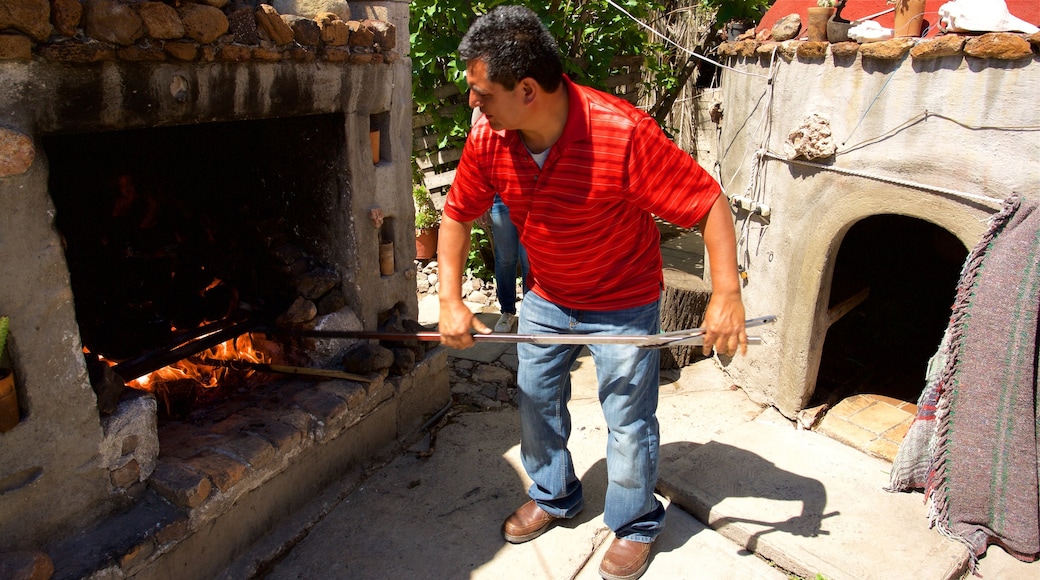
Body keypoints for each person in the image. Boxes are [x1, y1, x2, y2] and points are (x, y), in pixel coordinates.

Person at [437, 6, 748, 580]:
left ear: (526, 89)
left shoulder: (622, 133)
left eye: (481, 92)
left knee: (627, 418)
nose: (473, 103)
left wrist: (726, 293)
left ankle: (633, 523)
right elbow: (456, 215)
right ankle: (555, 495)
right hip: (548, 294)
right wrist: (450, 300)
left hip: (623, 299)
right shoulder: (490, 138)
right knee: (533, 396)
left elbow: (707, 203)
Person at [490, 192, 529, 332]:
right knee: (505, 259)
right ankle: (507, 312)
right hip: (501, 196)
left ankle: (530, 314)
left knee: (529, 260)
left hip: (532, 196)